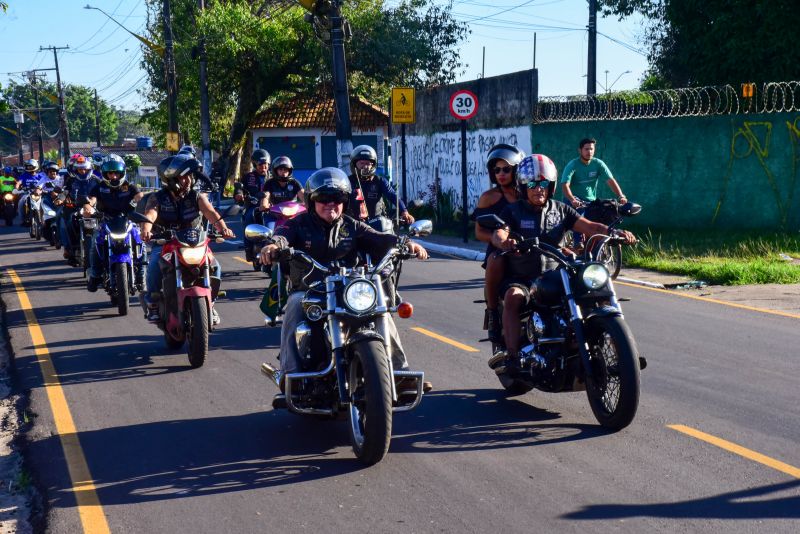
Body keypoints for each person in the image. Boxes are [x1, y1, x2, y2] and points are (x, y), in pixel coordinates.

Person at [258, 167, 430, 402]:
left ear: (345, 201)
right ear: (311, 201)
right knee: (295, 305)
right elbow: (281, 234)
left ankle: (400, 374)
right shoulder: (298, 224)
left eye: (337, 199)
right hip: (311, 288)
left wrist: (405, 244)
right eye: (324, 199)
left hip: (349, 288)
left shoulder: (352, 226)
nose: (331, 204)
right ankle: (291, 375)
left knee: (382, 311)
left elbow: (380, 239)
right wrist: (273, 246)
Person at [490, 154, 636, 369]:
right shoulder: (513, 211)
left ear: (550, 186)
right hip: (523, 278)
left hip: (557, 274)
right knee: (513, 297)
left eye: (543, 184)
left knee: (589, 291)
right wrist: (506, 241)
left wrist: (615, 232)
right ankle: (513, 357)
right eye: (532, 184)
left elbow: (590, 226)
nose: (538, 188)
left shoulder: (560, 209)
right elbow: (499, 232)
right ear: (523, 186)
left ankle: (619, 353)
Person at [140, 153, 234, 323]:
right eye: (184, 177)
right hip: (165, 242)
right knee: (154, 263)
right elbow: (150, 215)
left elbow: (210, 213)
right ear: (172, 179)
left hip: (194, 243)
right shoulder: (158, 198)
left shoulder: (197, 196)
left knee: (215, 266)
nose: (189, 180)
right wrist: (146, 230)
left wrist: (224, 228)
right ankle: (152, 303)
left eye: (190, 176)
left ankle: (210, 304)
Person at [470, 144, 525, 343]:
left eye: (506, 169)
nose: (501, 174)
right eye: (497, 170)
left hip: (528, 247)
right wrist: (499, 241)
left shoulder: (527, 195)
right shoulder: (489, 198)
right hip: (500, 249)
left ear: (517, 170)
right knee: (495, 260)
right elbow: (479, 231)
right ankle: (493, 313)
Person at [83, 155, 145, 292]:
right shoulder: (99, 187)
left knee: (140, 240)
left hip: (126, 220)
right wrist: (88, 206)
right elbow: (92, 199)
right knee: (95, 243)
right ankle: (95, 275)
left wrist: (137, 199)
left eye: (116, 173)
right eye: (110, 173)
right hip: (107, 221)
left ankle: (141, 275)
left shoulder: (129, 186)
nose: (114, 176)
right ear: (105, 174)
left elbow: (139, 194)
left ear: (121, 173)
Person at [561, 138, 628, 246]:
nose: (589, 152)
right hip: (574, 201)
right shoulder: (572, 165)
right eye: (586, 149)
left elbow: (610, 180)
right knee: (579, 219)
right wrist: (572, 199)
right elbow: (565, 185)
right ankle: (577, 244)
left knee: (601, 220)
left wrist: (621, 195)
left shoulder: (598, 164)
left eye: (591, 149)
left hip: (591, 201)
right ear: (580, 150)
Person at [346, 144, 414, 224]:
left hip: (377, 224)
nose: (365, 166)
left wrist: (404, 211)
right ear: (354, 164)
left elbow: (392, 195)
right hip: (353, 225)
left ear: (373, 165)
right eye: (362, 163)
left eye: (368, 163)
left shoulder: (379, 181)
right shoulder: (347, 181)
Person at [60, 155, 100, 265]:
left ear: (89, 169)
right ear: (75, 170)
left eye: (84, 169)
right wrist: (61, 199)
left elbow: (103, 193)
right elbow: (65, 192)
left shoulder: (96, 180)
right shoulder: (71, 180)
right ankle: (70, 250)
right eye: (79, 169)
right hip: (75, 208)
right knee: (67, 223)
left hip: (94, 209)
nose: (82, 171)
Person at [235, 149, 270, 262]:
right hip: (253, 206)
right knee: (249, 219)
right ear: (255, 164)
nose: (263, 167)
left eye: (265, 164)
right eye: (260, 164)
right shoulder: (249, 177)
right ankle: (248, 249)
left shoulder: (273, 177)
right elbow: (239, 189)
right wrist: (239, 195)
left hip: (270, 207)